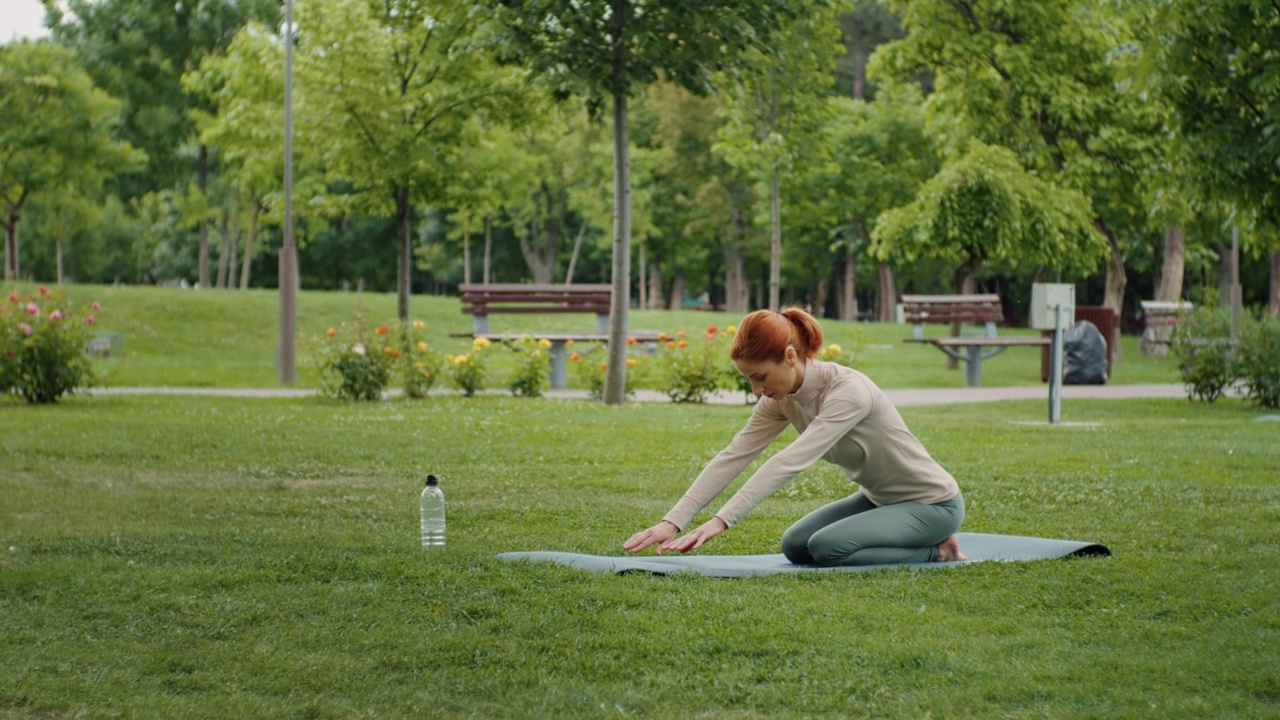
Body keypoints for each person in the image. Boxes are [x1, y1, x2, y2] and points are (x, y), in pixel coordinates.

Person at [623, 307, 969, 566]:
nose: (757, 390)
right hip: (879, 499)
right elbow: (734, 455)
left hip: (932, 504)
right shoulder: (781, 399)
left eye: (761, 377)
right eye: (749, 380)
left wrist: (720, 521)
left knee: (827, 548)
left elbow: (790, 461)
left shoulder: (848, 392)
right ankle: (922, 542)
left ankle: (938, 550)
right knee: (796, 546)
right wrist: (674, 521)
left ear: (790, 357)